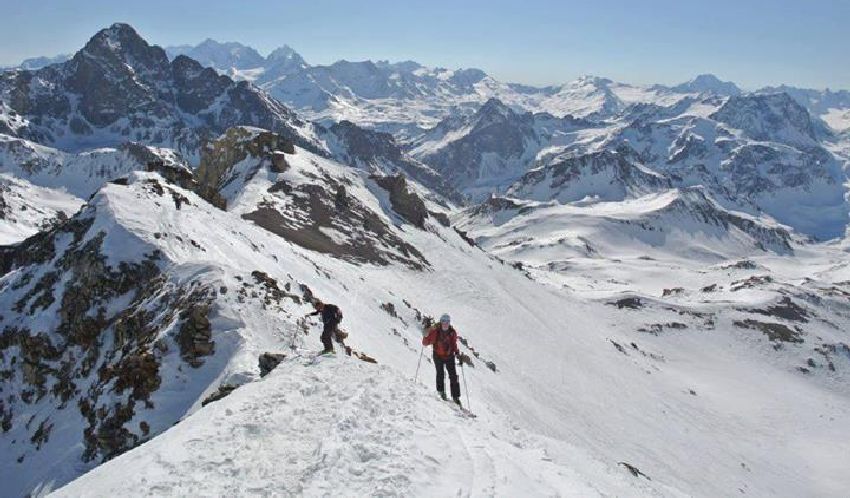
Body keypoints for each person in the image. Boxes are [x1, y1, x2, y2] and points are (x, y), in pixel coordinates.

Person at [422, 313, 461, 405]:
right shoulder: (436, 331)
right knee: (440, 374)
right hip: (438, 355)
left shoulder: (452, 332)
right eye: (443, 321)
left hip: (449, 356)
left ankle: (455, 397)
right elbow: (425, 343)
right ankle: (441, 392)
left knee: (453, 376)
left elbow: (453, 344)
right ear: (441, 321)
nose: (445, 323)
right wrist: (426, 334)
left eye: (447, 321)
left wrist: (457, 353)